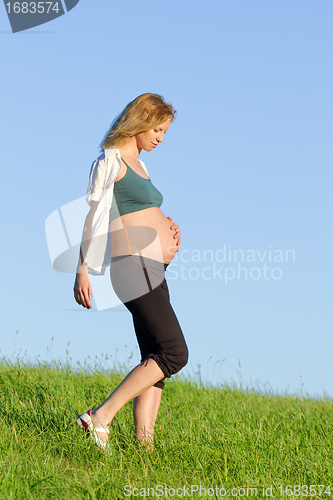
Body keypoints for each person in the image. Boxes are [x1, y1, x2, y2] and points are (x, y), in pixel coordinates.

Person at [74, 93, 189, 453]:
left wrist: (166, 227)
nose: (161, 138)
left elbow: (137, 212)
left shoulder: (139, 163)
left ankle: (145, 449)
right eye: (157, 129)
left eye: (165, 131)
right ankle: (101, 416)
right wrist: (82, 268)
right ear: (139, 122)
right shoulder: (110, 161)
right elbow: (93, 216)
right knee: (174, 352)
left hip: (153, 268)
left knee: (155, 358)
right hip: (133, 267)